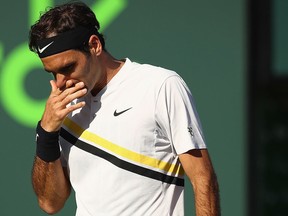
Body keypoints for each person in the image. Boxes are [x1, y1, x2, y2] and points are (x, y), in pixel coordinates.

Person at [29, 1, 220, 215]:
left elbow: (203, 178)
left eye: (68, 67)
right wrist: (46, 132)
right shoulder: (64, 109)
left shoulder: (160, 85)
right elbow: (50, 203)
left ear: (94, 46)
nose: (61, 82)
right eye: (53, 73)